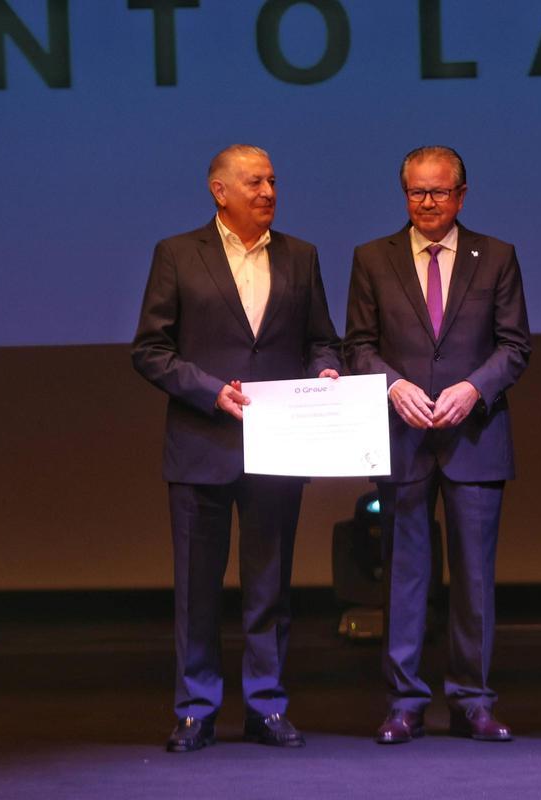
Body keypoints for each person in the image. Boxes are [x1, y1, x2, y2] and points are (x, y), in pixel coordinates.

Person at [132, 144, 342, 752]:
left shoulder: (301, 256)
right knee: (197, 589)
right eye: (254, 182)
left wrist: (325, 373)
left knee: (270, 585)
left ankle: (266, 705)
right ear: (219, 192)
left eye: (273, 180)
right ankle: (196, 709)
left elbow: (322, 340)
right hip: (202, 443)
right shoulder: (177, 254)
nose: (268, 192)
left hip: (279, 447)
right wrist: (208, 391)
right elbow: (150, 349)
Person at [344, 146, 531, 744]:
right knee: (405, 575)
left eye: (439, 192)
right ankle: (405, 701)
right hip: (400, 437)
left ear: (462, 194)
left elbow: (514, 346)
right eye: (416, 193)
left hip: (474, 437)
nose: (427, 203)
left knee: (475, 578)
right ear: (404, 194)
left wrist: (474, 389)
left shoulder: (496, 256)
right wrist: (392, 386)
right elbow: (358, 346)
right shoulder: (372, 258)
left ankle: (473, 700)